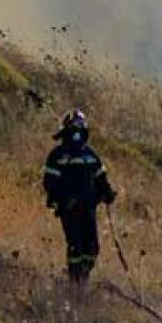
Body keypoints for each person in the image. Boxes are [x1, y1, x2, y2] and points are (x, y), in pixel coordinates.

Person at [42, 109, 117, 285]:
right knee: (75, 245)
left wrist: (107, 192)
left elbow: (101, 178)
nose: (76, 132)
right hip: (69, 208)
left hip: (88, 207)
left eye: (80, 127)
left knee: (92, 247)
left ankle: (83, 277)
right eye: (73, 128)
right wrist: (58, 200)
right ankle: (74, 281)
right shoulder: (57, 155)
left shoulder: (91, 155)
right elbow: (50, 182)